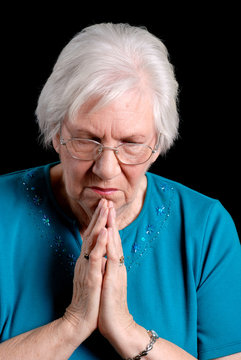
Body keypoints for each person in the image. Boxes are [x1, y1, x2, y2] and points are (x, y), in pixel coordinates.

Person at [0, 23, 240, 360]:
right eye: (87, 140)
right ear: (56, 133)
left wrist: (127, 331)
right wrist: (72, 324)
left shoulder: (206, 229)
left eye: (131, 144)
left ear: (158, 144)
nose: (106, 169)